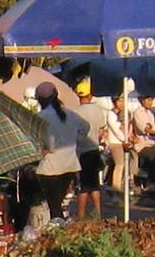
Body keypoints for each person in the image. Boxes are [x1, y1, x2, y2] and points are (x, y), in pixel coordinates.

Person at [33, 81, 87, 221]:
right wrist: (75, 142)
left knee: (54, 206)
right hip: (69, 165)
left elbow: (43, 141)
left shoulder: (41, 116)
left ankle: (57, 231)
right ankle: (59, 229)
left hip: (50, 167)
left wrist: (45, 149)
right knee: (57, 204)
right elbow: (86, 127)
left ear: (40, 100)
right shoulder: (70, 114)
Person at [72, 78, 108, 220]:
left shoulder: (76, 113)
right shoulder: (97, 110)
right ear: (90, 95)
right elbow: (101, 128)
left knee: (82, 186)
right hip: (94, 150)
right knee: (94, 184)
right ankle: (98, 213)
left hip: (81, 152)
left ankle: (81, 215)